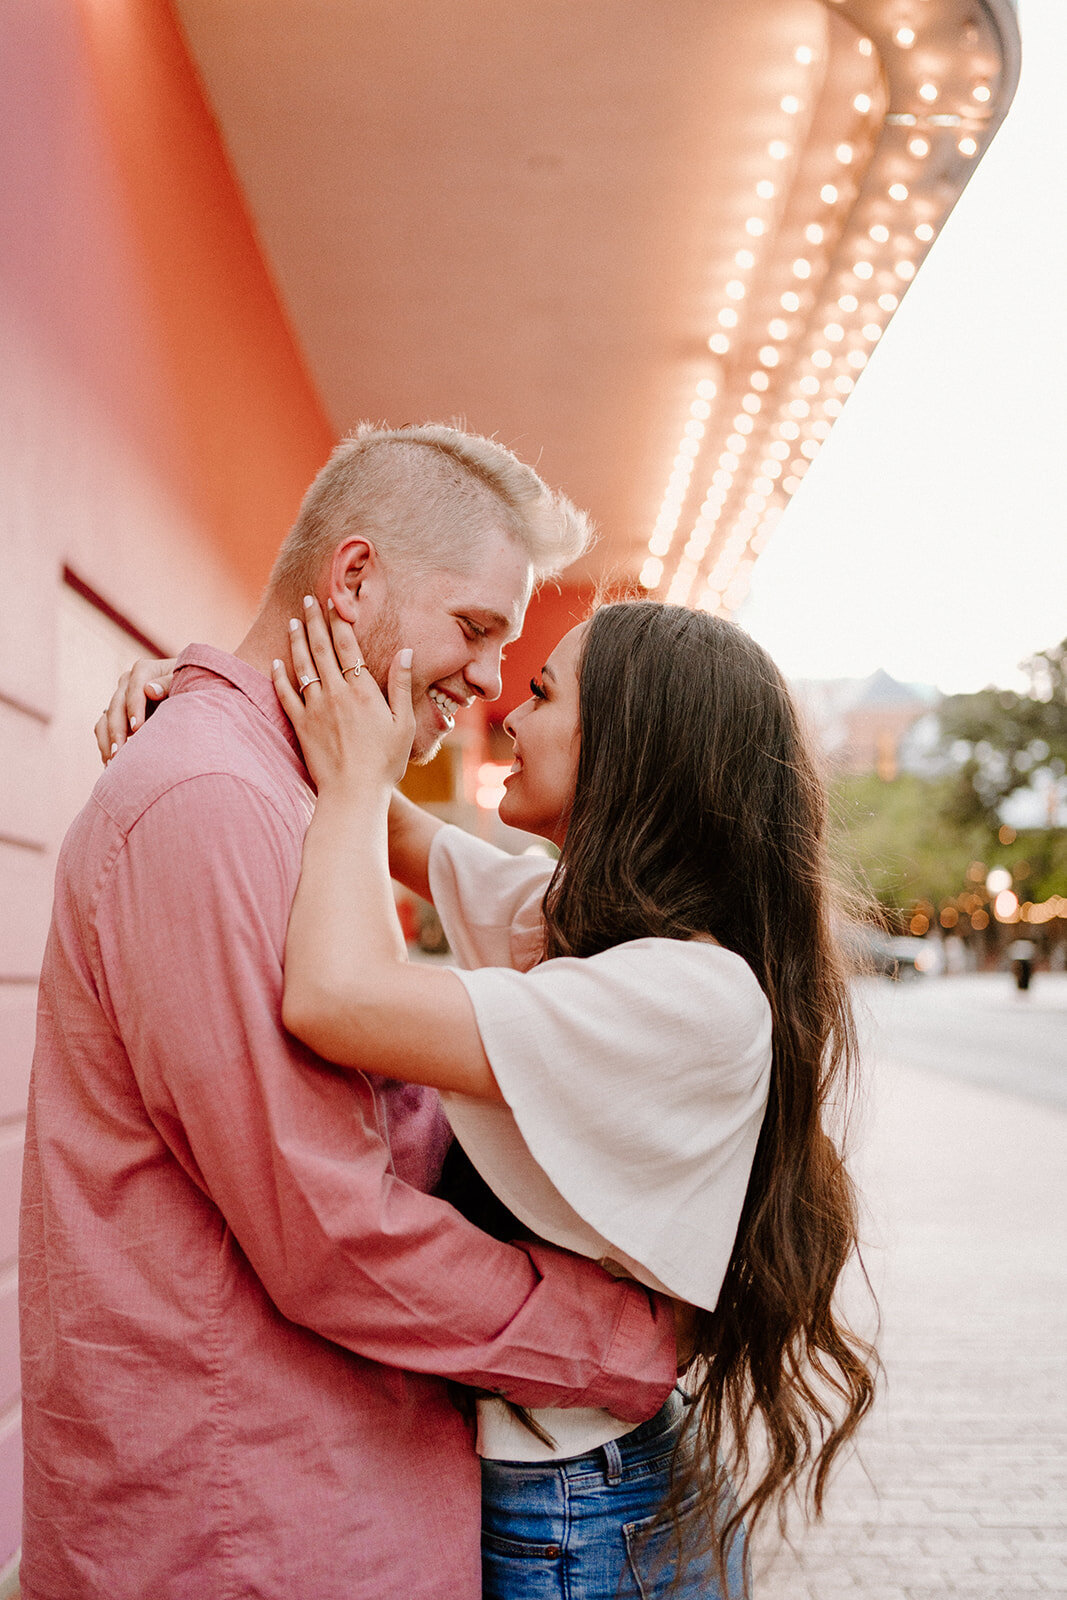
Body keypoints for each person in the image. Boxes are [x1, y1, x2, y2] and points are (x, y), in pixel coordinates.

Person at [20, 424, 681, 1600]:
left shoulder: (308, 790)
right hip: (249, 1531)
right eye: (477, 627)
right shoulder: (215, 800)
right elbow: (330, 1228)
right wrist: (621, 1341)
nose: (489, 677)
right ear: (356, 576)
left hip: (323, 1501)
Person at [260, 592, 878, 1597]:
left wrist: (349, 776)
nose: (505, 707)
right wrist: (222, 696)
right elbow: (405, 835)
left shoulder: (687, 994)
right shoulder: (587, 928)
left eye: (542, 692)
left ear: (633, 744)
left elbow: (337, 995)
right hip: (584, 1484)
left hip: (579, 1513)